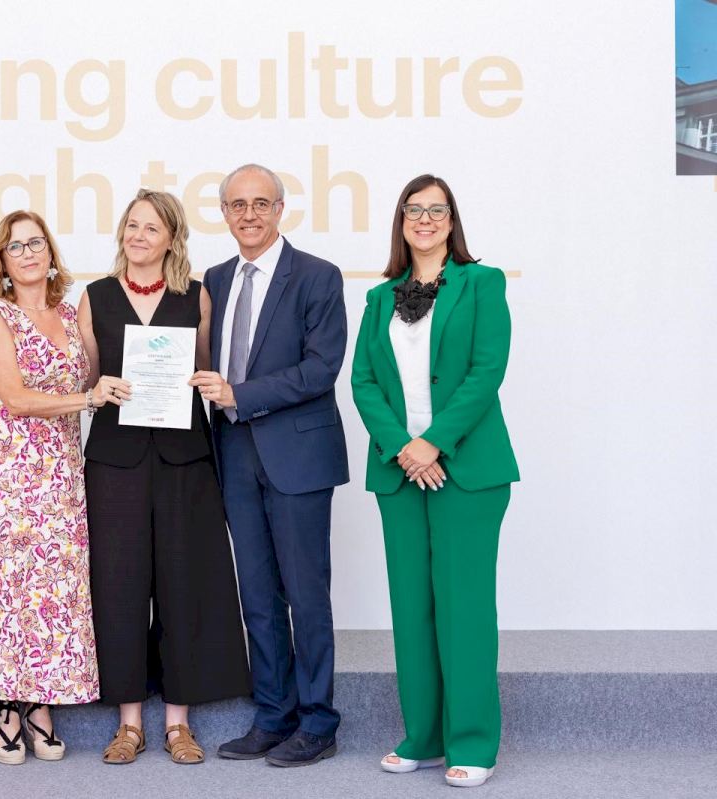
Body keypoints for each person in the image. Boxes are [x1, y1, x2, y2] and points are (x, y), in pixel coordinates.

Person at [350, 174, 518, 789]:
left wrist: (433, 443)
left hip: (467, 473)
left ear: (452, 221)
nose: (424, 219)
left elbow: (486, 371)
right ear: (401, 221)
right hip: (401, 474)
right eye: (413, 209)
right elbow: (363, 381)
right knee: (412, 610)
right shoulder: (380, 298)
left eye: (436, 210)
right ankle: (422, 736)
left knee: (463, 609)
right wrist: (404, 449)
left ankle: (471, 742)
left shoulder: (482, 284)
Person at [78, 189, 250, 766]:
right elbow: (86, 378)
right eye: (132, 225)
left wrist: (209, 382)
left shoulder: (195, 296)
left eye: (152, 228)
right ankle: (129, 723)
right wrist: (95, 389)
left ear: (172, 238)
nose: (139, 236)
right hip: (115, 459)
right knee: (119, 586)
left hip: (183, 459)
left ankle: (179, 723)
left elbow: (207, 368)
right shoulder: (95, 296)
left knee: (184, 582)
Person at [189, 163, 349, 768]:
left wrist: (240, 394)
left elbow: (320, 368)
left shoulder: (317, 275)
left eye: (261, 203)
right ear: (224, 214)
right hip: (234, 453)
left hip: (298, 457)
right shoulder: (215, 279)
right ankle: (273, 715)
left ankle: (318, 722)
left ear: (280, 209)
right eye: (238, 204)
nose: (249, 214)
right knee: (256, 593)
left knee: (305, 596)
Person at [0, 210, 110, 765]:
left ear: (50, 252)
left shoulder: (71, 315)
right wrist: (88, 400)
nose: (27, 253)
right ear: (1, 260)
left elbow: (96, 376)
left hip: (62, 468)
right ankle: (6, 704)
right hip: (10, 466)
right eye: (15, 246)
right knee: (7, 584)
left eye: (36, 243)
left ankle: (41, 702)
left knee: (55, 584)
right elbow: (16, 397)